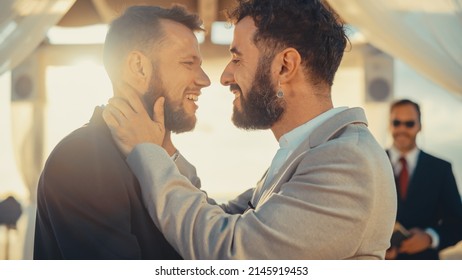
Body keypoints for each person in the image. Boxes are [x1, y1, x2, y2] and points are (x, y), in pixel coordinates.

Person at [103, 0, 397, 259]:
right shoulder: (307, 152)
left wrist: (147, 153)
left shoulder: (346, 162)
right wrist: (164, 151)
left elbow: (233, 252)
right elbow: (222, 218)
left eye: (237, 58)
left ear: (285, 66)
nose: (224, 76)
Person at [34, 5, 210, 259]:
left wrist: (162, 151)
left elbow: (207, 238)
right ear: (139, 67)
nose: (204, 79)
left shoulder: (159, 159)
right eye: (188, 63)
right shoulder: (80, 160)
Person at [385, 99, 462, 260]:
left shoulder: (441, 169)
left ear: (420, 126)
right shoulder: (371, 163)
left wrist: (429, 238)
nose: (402, 129)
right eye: (397, 122)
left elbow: (457, 223)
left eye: (409, 124)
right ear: (389, 125)